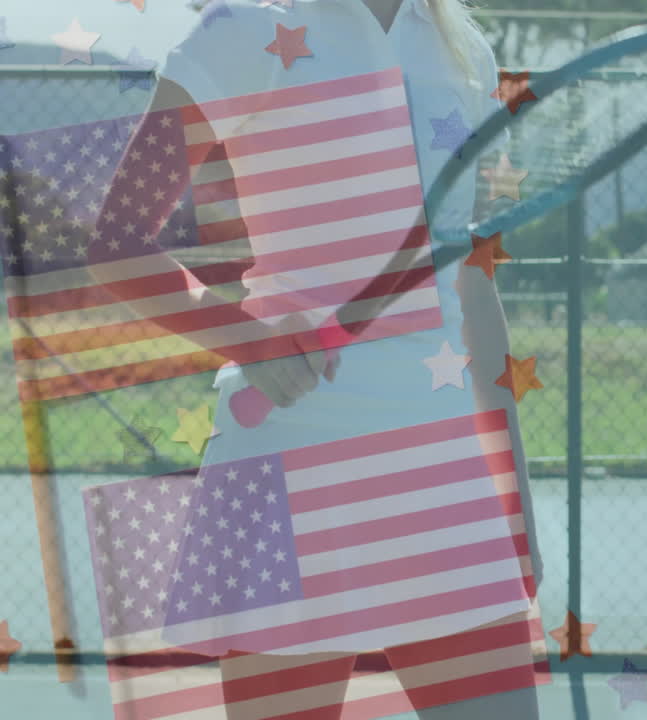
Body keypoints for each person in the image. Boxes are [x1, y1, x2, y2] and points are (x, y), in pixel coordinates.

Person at [87, 0, 546, 717]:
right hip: (283, 467)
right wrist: (249, 340)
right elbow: (115, 242)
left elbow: (472, 281)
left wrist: (513, 497)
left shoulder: (466, 53)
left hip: (443, 479)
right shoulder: (240, 28)